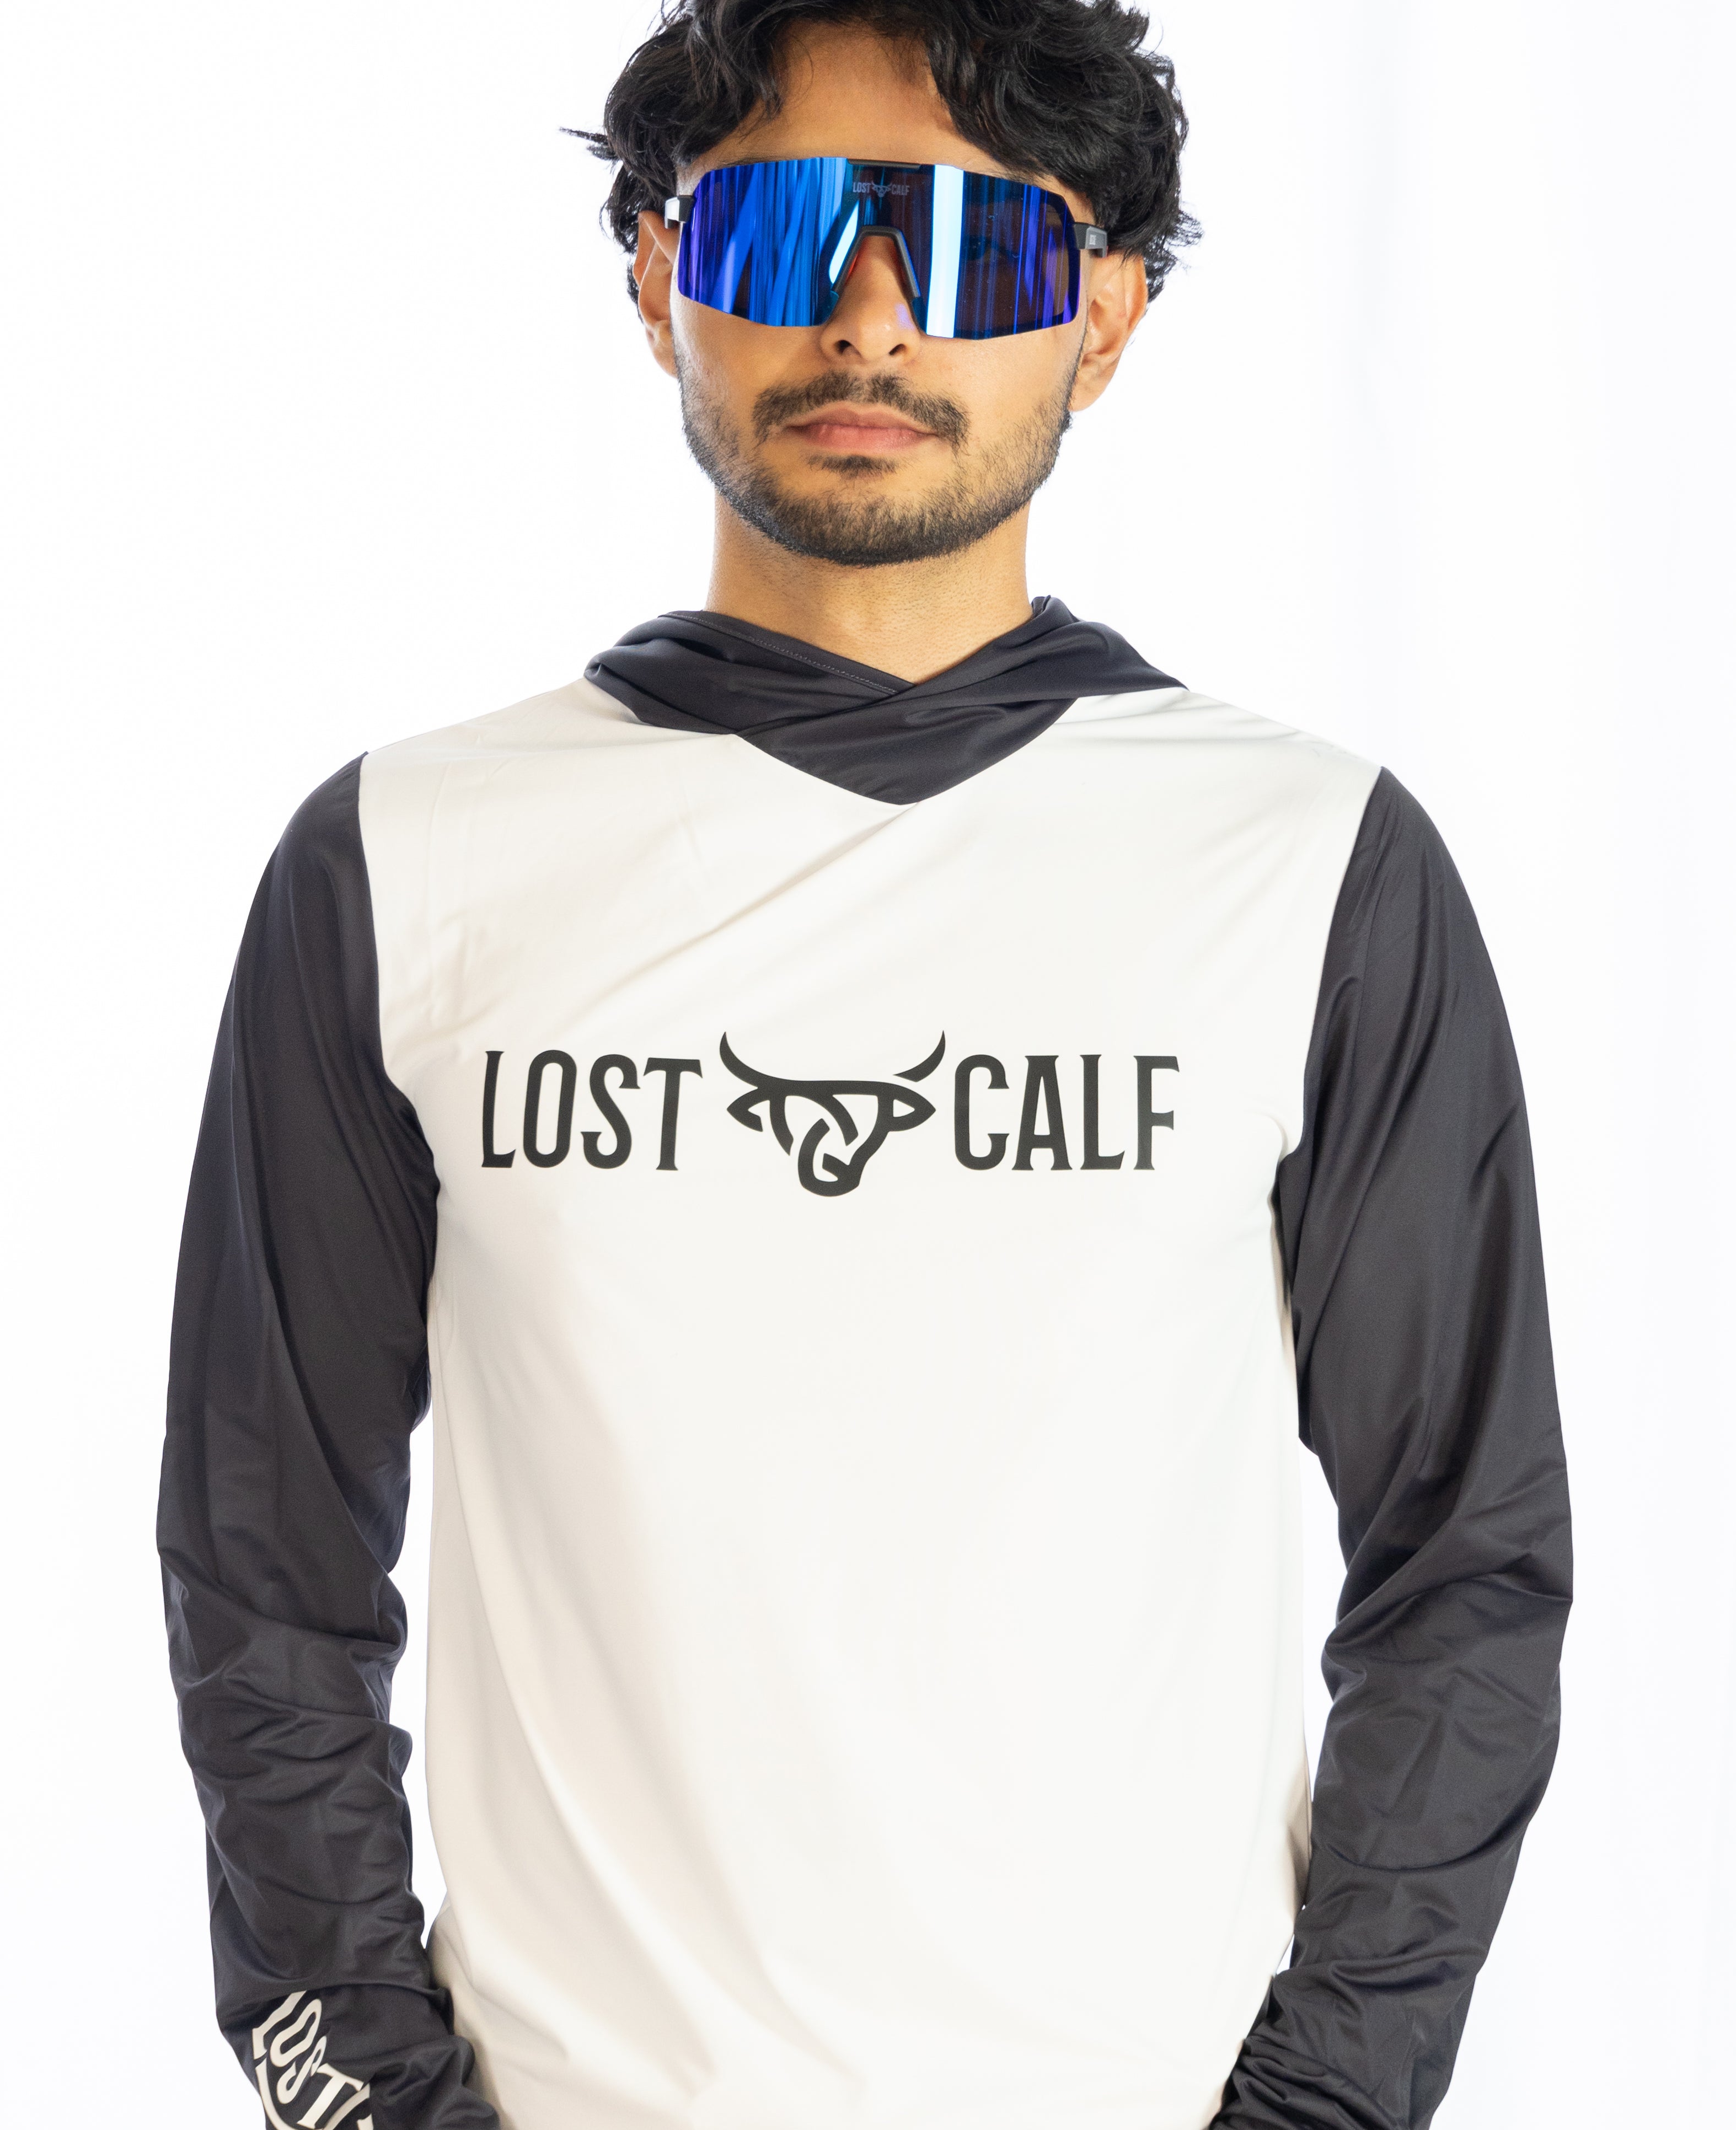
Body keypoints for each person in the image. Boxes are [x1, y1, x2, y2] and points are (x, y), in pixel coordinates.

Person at [158, 3, 1573, 2127]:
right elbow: (262, 1569)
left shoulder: (1308, 869)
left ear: (1105, 317)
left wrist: (1329, 2105)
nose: (874, 318)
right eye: (790, 228)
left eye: (976, 248)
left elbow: (1467, 1559)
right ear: (661, 276)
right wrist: (362, 2089)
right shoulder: (404, 864)